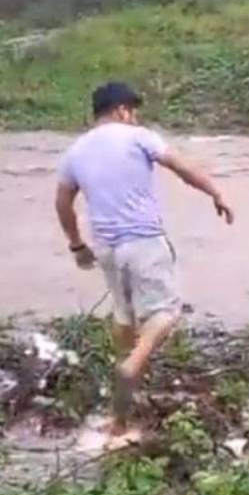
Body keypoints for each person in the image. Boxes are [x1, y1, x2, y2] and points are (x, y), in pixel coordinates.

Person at [55, 82, 234, 433]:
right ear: (122, 110)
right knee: (164, 314)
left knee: (125, 319)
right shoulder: (138, 136)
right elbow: (180, 166)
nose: (134, 116)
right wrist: (217, 193)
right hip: (144, 241)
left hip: (106, 247)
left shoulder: (74, 152)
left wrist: (77, 245)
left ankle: (119, 420)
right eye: (132, 111)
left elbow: (63, 203)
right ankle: (134, 362)